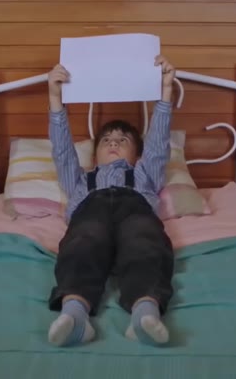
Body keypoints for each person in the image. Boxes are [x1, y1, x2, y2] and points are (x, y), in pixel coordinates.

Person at [46, 55, 176, 347]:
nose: (113, 142)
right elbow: (62, 150)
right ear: (94, 156)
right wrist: (55, 98)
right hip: (91, 212)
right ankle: (75, 316)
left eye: (123, 140)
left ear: (137, 155)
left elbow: (158, 143)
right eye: (106, 140)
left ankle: (145, 315)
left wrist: (166, 91)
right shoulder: (81, 179)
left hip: (135, 211)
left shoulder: (144, 172)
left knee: (145, 242)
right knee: (82, 241)